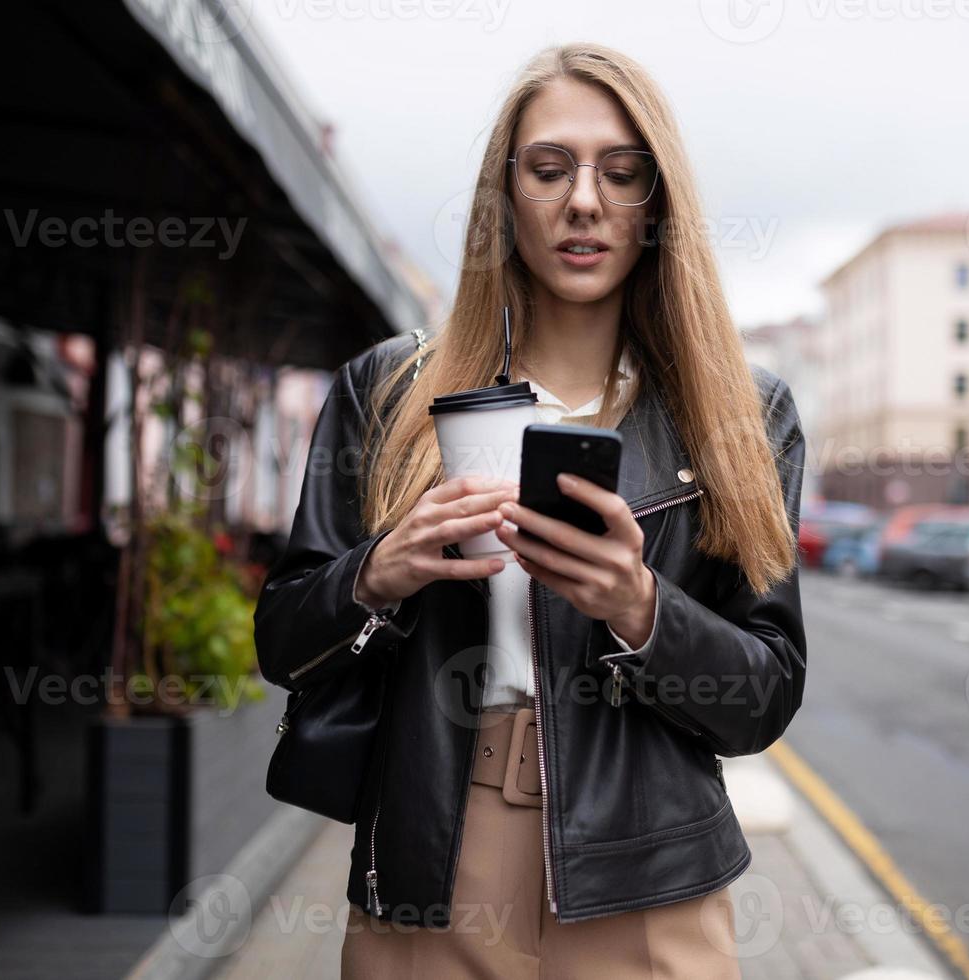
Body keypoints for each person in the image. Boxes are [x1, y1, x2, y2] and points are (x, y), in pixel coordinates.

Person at [254, 40, 808, 979]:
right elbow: (281, 641)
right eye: (549, 169)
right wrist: (378, 572)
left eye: (621, 174)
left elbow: (763, 696)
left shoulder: (744, 415)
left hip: (648, 868)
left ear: (656, 204)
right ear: (503, 195)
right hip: (435, 849)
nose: (583, 201)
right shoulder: (389, 391)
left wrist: (641, 606)